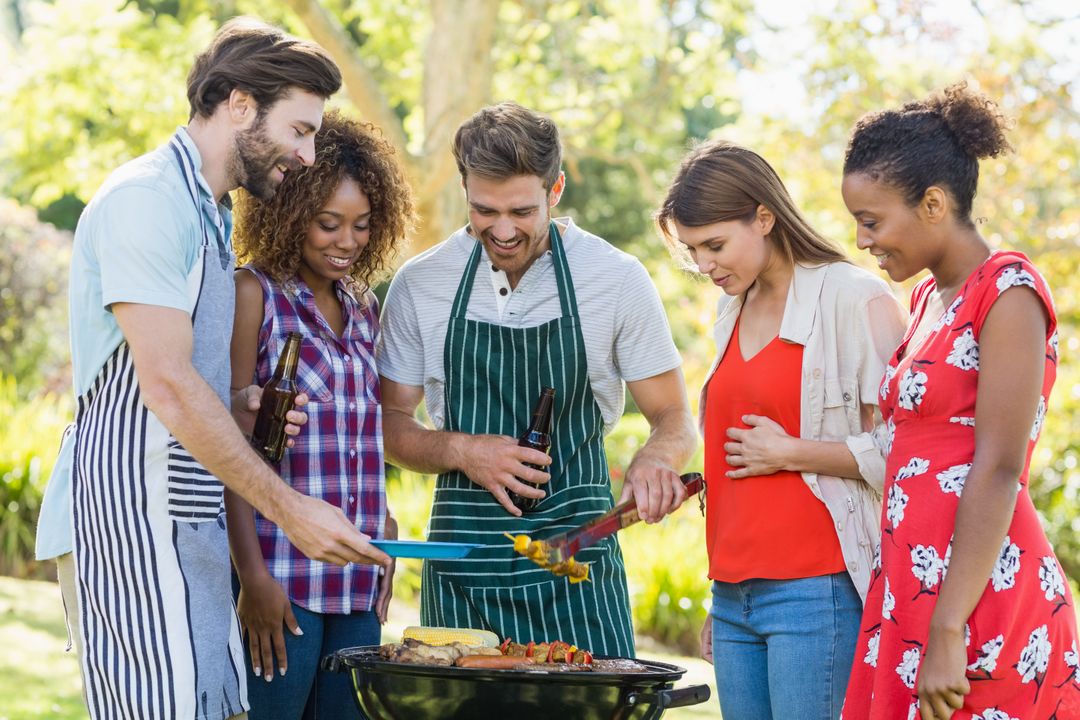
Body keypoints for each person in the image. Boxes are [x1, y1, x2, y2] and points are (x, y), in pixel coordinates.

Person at [34, 18, 390, 720]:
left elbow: (197, 388)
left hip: (189, 521)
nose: (306, 153)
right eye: (298, 129)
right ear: (236, 104)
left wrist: (243, 405)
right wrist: (289, 510)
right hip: (131, 516)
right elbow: (164, 384)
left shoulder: (208, 214)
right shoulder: (148, 199)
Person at [377, 101, 698, 656]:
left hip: (578, 570)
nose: (502, 231)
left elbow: (674, 418)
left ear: (556, 190)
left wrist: (655, 459)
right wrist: (462, 449)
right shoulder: (421, 283)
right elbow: (388, 424)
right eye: (485, 210)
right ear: (464, 189)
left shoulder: (615, 279)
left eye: (522, 212)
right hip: (464, 575)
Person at [840, 84, 1080, 719]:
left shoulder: (1008, 291)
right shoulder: (926, 301)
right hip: (910, 591)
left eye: (871, 220)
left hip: (978, 599)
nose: (863, 239)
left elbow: (1000, 467)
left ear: (934, 204)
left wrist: (947, 630)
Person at [655, 139, 907, 719]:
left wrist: (794, 452)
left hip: (817, 592)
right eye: (693, 251)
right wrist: (721, 592)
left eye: (715, 245)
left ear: (764, 217)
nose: (705, 266)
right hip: (734, 594)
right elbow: (737, 457)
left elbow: (910, 452)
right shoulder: (731, 308)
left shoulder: (853, 297)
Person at [227, 109, 414, 719]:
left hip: (357, 573)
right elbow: (229, 446)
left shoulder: (363, 306)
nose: (348, 242)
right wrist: (251, 577)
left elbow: (366, 435)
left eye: (362, 226)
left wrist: (382, 535)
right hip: (281, 575)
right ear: (289, 212)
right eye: (329, 223)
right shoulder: (254, 295)